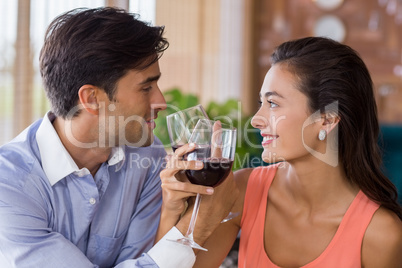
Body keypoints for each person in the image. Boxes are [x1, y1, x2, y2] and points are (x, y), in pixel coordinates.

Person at [0, 7, 237, 268]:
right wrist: (200, 225)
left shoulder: (148, 159)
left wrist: (174, 213)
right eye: (146, 87)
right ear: (91, 99)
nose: (161, 101)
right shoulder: (8, 185)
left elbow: (143, 261)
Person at [161, 36, 402, 267]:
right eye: (261, 103)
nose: (256, 120)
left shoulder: (380, 234)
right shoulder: (242, 191)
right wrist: (176, 211)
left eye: (273, 104)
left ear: (326, 120)